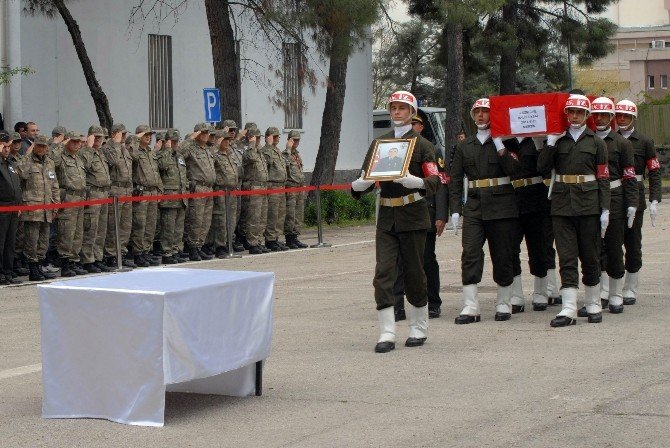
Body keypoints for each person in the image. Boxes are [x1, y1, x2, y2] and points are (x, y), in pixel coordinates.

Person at [351, 90, 440, 353]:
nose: (397, 112)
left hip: (412, 215)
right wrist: (360, 184)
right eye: (393, 108)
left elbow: (435, 180)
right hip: (387, 218)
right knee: (384, 273)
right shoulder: (380, 144)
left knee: (414, 272)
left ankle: (418, 327)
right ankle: (387, 331)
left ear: (412, 112)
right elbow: (365, 177)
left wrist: (418, 183)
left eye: (402, 108)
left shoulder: (424, 145)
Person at [537, 94, 610, 327]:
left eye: (580, 112)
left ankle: (593, 303)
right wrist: (550, 142)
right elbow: (542, 168)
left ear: (587, 115)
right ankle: (568, 308)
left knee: (590, 255)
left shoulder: (596, 142)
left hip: (588, 205)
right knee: (567, 257)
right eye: (571, 112)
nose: (575, 116)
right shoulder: (558, 140)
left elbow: (604, 178)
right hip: (561, 205)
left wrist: (605, 208)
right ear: (566, 114)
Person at [449, 98, 521, 324]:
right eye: (477, 112)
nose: (481, 116)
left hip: (502, 206)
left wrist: (500, 145)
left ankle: (503, 302)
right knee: (470, 253)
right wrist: (455, 210)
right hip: (475, 206)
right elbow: (456, 179)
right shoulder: (464, 146)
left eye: (485, 111)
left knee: (502, 254)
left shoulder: (507, 143)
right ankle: (471, 306)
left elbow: (514, 171)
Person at [575, 97, 638, 315]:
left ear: (612, 117)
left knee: (613, 247)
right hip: (593, 198)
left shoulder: (623, 143)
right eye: (596, 115)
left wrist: (632, 204)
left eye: (604, 115)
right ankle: (600, 294)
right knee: (595, 249)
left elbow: (630, 177)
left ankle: (616, 295)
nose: (599, 118)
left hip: (616, 198)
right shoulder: (588, 140)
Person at [394, 114, 447, 320]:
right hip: (401, 212)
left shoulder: (431, 149)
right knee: (399, 261)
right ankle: (398, 305)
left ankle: (433, 302)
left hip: (426, 210)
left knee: (426, 259)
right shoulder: (393, 147)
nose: (410, 126)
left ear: (421, 127)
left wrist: (441, 214)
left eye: (414, 123)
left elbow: (440, 183)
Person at [615, 100, 662, 306]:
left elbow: (654, 171)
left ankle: (630, 287)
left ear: (634, 118)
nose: (622, 119)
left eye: (626, 116)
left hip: (636, 196)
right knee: (613, 243)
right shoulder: (610, 139)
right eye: (619, 116)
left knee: (633, 243)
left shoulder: (644, 141)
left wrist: (654, 198)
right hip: (615, 195)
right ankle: (613, 287)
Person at [501, 133, 552, 312]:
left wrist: (542, 146)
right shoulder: (505, 141)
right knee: (511, 248)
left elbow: (545, 167)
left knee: (539, 247)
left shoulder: (537, 140)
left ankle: (540, 291)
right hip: (511, 199)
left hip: (536, 198)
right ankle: (516, 295)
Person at [15, 135, 60, 281]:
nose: (41, 149)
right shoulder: (26, 161)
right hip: (32, 208)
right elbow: (20, 174)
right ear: (35, 146)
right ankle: (32, 269)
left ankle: (40, 266)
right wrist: (27, 157)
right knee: (31, 240)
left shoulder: (49, 162)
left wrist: (56, 204)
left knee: (43, 241)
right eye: (39, 146)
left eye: (44, 146)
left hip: (47, 208)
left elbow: (54, 185)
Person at [52, 132, 88, 277]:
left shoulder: (78, 158)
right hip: (68, 197)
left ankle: (74, 260)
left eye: (79, 142)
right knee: (67, 232)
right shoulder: (61, 157)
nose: (77, 144)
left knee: (78, 232)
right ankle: (65, 262)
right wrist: (60, 144)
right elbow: (52, 160)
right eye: (73, 142)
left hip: (80, 197)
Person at [78, 125, 113, 273]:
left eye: (101, 137)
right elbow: (84, 166)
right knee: (90, 228)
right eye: (96, 137)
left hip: (104, 193)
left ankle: (98, 258)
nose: (99, 140)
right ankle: (87, 260)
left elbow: (114, 162)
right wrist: (89, 146)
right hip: (92, 193)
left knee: (101, 229)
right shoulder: (84, 152)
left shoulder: (102, 153)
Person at [179, 123, 216, 261]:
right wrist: (191, 138)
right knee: (196, 219)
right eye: (203, 132)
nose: (206, 135)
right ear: (197, 134)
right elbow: (179, 153)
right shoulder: (191, 148)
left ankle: (199, 247)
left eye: (207, 133)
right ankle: (192, 248)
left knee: (205, 221)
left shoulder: (207, 149)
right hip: (198, 187)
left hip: (209, 188)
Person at [129, 124, 163, 267]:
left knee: (150, 225)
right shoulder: (135, 151)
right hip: (141, 192)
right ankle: (138, 253)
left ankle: (146, 252)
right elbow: (132, 155)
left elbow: (156, 173)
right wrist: (135, 139)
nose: (149, 137)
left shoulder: (150, 152)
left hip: (153, 192)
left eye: (150, 135)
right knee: (140, 225)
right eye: (145, 135)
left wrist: (160, 189)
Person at [103, 124, 135, 268]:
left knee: (125, 226)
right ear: (114, 134)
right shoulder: (109, 147)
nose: (124, 137)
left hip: (127, 190)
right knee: (113, 225)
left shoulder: (123, 148)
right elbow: (114, 161)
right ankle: (110, 255)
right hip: (116, 190)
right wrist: (116, 143)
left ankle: (121, 253)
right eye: (121, 134)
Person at [156, 133, 189, 264]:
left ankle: (176, 250)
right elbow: (162, 166)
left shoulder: (179, 156)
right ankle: (167, 252)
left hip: (181, 197)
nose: (176, 144)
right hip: (169, 198)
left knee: (178, 228)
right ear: (168, 142)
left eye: (177, 141)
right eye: (173, 142)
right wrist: (167, 149)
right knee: (168, 227)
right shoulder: (162, 155)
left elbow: (183, 174)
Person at [210, 129, 239, 257]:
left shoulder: (229, 154)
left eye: (229, 140)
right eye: (225, 140)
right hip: (221, 191)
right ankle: (220, 246)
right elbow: (210, 156)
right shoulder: (215, 154)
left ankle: (228, 243)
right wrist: (217, 144)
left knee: (231, 219)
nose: (227, 142)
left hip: (232, 191)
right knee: (221, 219)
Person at [241, 126, 270, 255]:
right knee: (254, 217)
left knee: (262, 217)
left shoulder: (259, 151)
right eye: (256, 137)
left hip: (263, 186)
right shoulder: (249, 150)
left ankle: (258, 241)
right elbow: (250, 158)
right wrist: (251, 143)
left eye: (259, 138)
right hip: (253, 186)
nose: (258, 140)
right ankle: (252, 242)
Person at [0, 132, 23, 284]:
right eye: (4, 146)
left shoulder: (10, 164)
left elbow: (17, 186)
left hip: (13, 208)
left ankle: (8, 272)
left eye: (9, 146)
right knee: (0, 242)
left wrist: (19, 205)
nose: (7, 149)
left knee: (10, 243)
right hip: (2, 208)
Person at [262, 127, 289, 251]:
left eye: (278, 136)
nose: (277, 138)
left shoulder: (277, 150)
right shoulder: (265, 151)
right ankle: (270, 240)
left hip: (281, 186)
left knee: (280, 215)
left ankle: (276, 238)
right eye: (274, 136)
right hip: (272, 186)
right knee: (272, 215)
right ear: (268, 137)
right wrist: (268, 145)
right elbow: (267, 163)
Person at [283, 130, 309, 249]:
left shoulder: (297, 155)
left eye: (298, 140)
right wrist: (288, 149)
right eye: (294, 140)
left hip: (299, 186)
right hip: (291, 186)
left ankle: (295, 236)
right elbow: (285, 165)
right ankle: (289, 238)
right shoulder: (285, 154)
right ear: (289, 140)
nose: (296, 142)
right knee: (290, 214)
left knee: (298, 214)